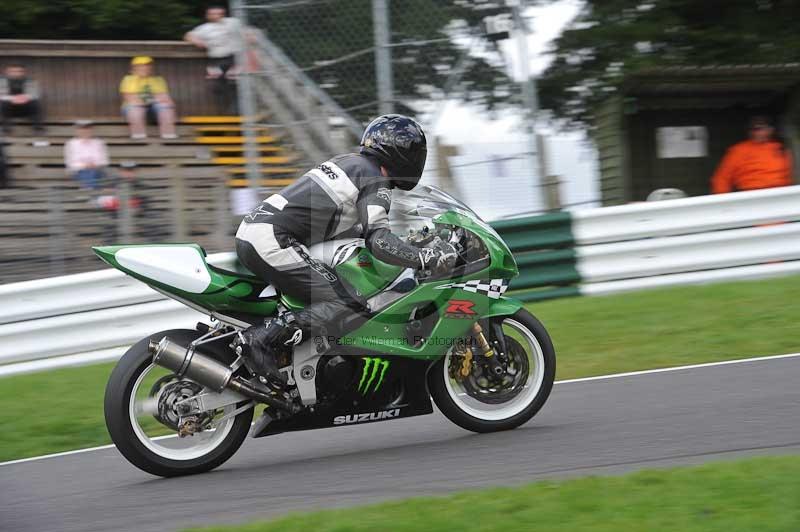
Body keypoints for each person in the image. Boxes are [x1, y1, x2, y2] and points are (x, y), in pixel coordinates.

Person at [235, 114, 456, 385]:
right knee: (346, 302)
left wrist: (410, 243)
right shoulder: (374, 178)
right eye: (416, 152)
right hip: (273, 239)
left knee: (338, 290)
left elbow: (356, 229)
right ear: (400, 153)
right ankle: (260, 340)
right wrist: (423, 258)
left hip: (258, 232)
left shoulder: (351, 163)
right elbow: (378, 240)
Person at [711, 116, 793, 194]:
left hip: (782, 194)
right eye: (752, 129)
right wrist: (724, 203)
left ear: (770, 130)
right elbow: (722, 178)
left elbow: (792, 173)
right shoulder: (738, 150)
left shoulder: (781, 148)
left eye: (759, 129)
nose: (755, 132)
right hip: (751, 195)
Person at [184, 5, 243, 113]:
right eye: (213, 14)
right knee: (216, 85)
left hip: (233, 58)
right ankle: (223, 111)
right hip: (216, 60)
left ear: (223, 14)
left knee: (234, 83)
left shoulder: (233, 23)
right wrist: (197, 41)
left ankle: (236, 110)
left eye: (219, 13)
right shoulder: (205, 28)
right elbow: (188, 35)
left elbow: (248, 30)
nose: (216, 16)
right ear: (208, 16)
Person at [119, 56, 177, 140]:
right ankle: (139, 136)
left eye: (147, 65)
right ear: (134, 68)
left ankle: (168, 135)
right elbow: (129, 98)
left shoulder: (158, 80)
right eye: (141, 66)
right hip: (133, 109)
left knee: (166, 107)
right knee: (135, 108)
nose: (145, 68)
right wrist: (154, 99)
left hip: (154, 111)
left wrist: (147, 100)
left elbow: (166, 98)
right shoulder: (128, 79)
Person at [64, 120, 109, 190]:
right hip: (78, 172)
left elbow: (105, 161)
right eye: (82, 129)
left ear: (92, 130)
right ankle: (93, 195)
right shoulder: (71, 144)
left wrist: (95, 165)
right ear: (77, 131)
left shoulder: (99, 143)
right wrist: (84, 166)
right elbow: (70, 164)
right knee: (89, 173)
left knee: (93, 173)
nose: (85, 131)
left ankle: (88, 194)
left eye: (88, 129)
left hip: (97, 170)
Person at [0, 63, 44, 135]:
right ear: (7, 72)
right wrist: (14, 98)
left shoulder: (30, 81)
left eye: (19, 71)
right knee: (3, 103)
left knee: (35, 103)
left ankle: (38, 129)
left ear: (23, 72)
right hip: (9, 111)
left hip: (25, 110)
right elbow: (1, 95)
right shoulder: (2, 81)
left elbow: (35, 94)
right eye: (13, 71)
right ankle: (6, 130)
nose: (16, 73)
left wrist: (24, 98)